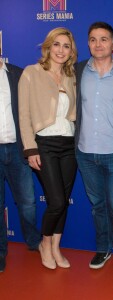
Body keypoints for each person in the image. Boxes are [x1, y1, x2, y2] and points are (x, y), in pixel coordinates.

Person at [18, 27, 77, 270]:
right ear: (48, 47)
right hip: (44, 145)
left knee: (63, 200)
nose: (61, 50)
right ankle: (44, 243)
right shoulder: (31, 73)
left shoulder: (71, 76)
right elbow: (24, 114)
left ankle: (55, 247)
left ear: (71, 51)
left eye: (66, 46)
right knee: (55, 201)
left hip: (69, 145)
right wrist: (30, 149)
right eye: (57, 44)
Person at [75, 22, 113, 274]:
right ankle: (103, 247)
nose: (98, 44)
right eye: (93, 39)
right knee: (97, 205)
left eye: (104, 39)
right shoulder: (76, 71)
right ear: (88, 43)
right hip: (84, 152)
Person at [0, 59, 41, 272]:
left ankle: (34, 242)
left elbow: (29, 110)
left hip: (17, 148)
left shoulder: (17, 73)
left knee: (27, 202)